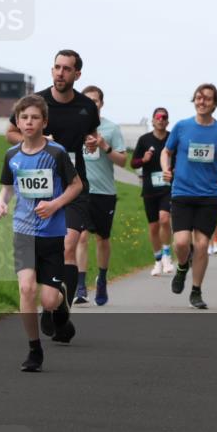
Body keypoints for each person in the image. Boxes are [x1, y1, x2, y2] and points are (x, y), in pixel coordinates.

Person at [6, 51, 99, 342]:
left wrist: (92, 142)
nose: (60, 73)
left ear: (77, 75)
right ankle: (58, 312)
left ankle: (56, 309)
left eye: (67, 69)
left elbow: (90, 135)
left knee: (69, 244)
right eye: (57, 67)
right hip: (40, 189)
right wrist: (38, 142)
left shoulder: (86, 107)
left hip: (73, 186)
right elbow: (11, 132)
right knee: (55, 252)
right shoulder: (37, 104)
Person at [0, 95, 82, 372]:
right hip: (23, 231)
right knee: (26, 288)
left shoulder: (56, 153)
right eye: (24, 118)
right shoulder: (12, 156)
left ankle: (60, 305)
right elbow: (7, 187)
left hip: (52, 233)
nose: (29, 122)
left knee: (49, 300)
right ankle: (34, 349)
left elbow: (76, 185)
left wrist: (55, 204)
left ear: (44, 121)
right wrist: (0, 203)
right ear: (17, 122)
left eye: (34, 117)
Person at [160, 83, 217, 310]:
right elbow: (166, 151)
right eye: (198, 97)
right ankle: (181, 267)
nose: (202, 101)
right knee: (181, 242)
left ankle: (196, 291)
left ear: (215, 103)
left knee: (201, 244)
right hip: (182, 192)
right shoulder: (182, 127)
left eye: (207, 98)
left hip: (208, 195)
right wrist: (166, 168)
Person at [71, 86, 127, 304]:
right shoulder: (75, 126)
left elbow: (123, 161)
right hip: (79, 191)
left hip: (104, 192)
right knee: (81, 236)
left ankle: (102, 279)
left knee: (102, 239)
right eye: (87, 100)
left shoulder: (111, 128)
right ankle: (80, 286)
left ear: (101, 103)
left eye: (95, 100)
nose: (91, 104)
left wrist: (104, 145)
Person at [131, 107, 175, 276]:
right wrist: (144, 159)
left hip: (167, 187)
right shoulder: (144, 140)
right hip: (150, 188)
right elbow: (133, 163)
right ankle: (157, 261)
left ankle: (167, 255)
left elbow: (178, 159)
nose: (161, 120)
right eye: (158, 117)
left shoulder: (172, 139)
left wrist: (173, 170)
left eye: (164, 117)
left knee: (164, 219)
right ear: (153, 120)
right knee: (153, 226)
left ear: (167, 121)